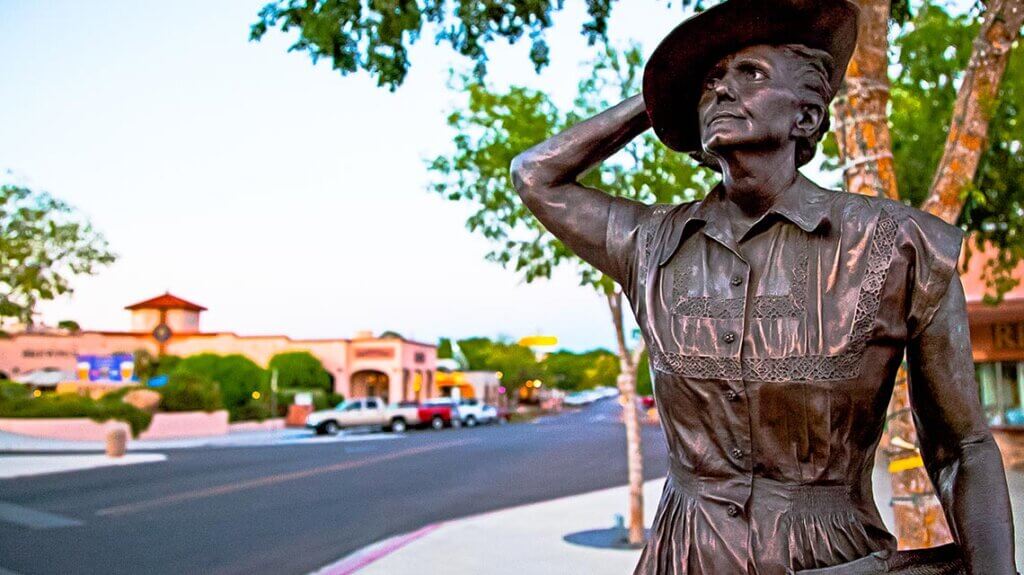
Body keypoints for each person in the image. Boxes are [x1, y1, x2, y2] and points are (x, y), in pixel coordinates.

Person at [509, 0, 1016, 573]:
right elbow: (536, 175)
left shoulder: (903, 247)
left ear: (806, 116)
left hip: (827, 557)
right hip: (686, 555)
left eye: (750, 74)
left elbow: (963, 448)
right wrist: (660, 102)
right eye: (710, 83)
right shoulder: (650, 243)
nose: (722, 90)